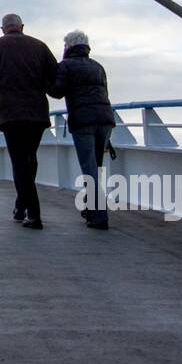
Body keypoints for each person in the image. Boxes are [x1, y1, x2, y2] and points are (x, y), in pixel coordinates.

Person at [0, 13, 58, 230]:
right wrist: (45, 88)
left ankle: (33, 214)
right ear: (22, 26)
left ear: (3, 29)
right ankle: (21, 206)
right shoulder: (40, 46)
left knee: (20, 162)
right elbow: (54, 75)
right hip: (37, 112)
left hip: (10, 113)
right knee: (30, 159)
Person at [51, 29, 113, 230]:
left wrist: (45, 80)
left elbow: (57, 92)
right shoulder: (98, 67)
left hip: (83, 121)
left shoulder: (66, 66)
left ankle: (99, 216)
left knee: (89, 169)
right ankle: (90, 209)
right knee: (96, 168)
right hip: (105, 120)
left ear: (68, 47)